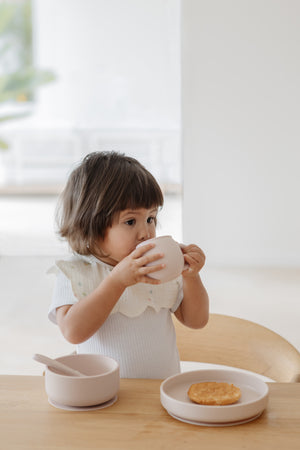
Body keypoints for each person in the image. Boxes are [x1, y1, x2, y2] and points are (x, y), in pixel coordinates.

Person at [48, 151, 209, 378]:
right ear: (91, 225)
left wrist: (191, 277)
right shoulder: (76, 272)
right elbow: (73, 332)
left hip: (159, 393)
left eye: (151, 218)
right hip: (103, 396)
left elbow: (196, 320)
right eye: (131, 221)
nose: (145, 232)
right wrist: (116, 281)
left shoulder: (159, 268)